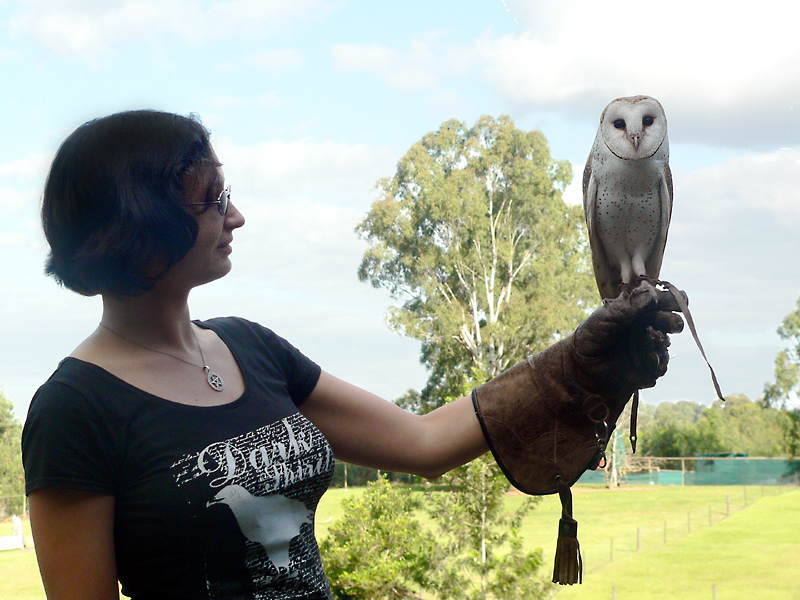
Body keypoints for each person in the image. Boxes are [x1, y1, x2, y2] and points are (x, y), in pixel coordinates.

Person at [22, 110, 683, 599]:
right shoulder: (76, 409)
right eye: (213, 198)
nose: (237, 216)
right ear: (144, 226)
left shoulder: (250, 347)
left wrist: (578, 358)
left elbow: (422, 443)